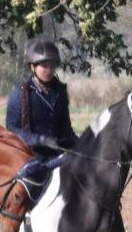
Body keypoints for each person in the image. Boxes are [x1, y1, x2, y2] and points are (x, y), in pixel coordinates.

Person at [5, 39, 79, 170]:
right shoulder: (20, 94)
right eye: (44, 66)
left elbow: (66, 128)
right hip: (30, 159)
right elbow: (12, 130)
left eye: (52, 66)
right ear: (32, 67)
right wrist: (39, 140)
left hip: (58, 157)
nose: (49, 70)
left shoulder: (60, 92)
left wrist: (81, 144)